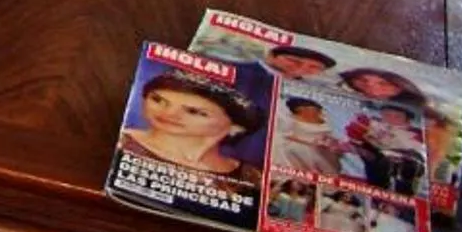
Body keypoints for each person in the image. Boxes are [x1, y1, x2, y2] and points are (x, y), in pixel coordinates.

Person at [119, 73, 262, 177]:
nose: (169, 114)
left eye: (193, 111)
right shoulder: (119, 143)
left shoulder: (249, 176)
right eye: (158, 100)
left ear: (235, 127)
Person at [273, 97, 346, 178]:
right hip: (304, 147)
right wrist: (311, 143)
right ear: (300, 109)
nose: (317, 111)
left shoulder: (323, 118)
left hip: (323, 146)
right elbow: (287, 136)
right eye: (311, 108)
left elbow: (329, 134)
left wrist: (331, 142)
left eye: (317, 109)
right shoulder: (292, 121)